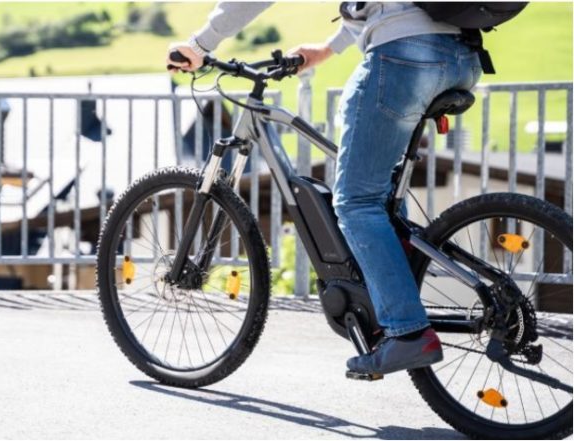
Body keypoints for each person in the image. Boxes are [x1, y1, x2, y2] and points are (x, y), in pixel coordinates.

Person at [167, 2, 483, 375]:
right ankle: (385, 302)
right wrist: (326, 49)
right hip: (462, 57)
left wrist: (200, 44)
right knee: (379, 198)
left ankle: (408, 333)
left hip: (405, 56)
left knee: (356, 203)